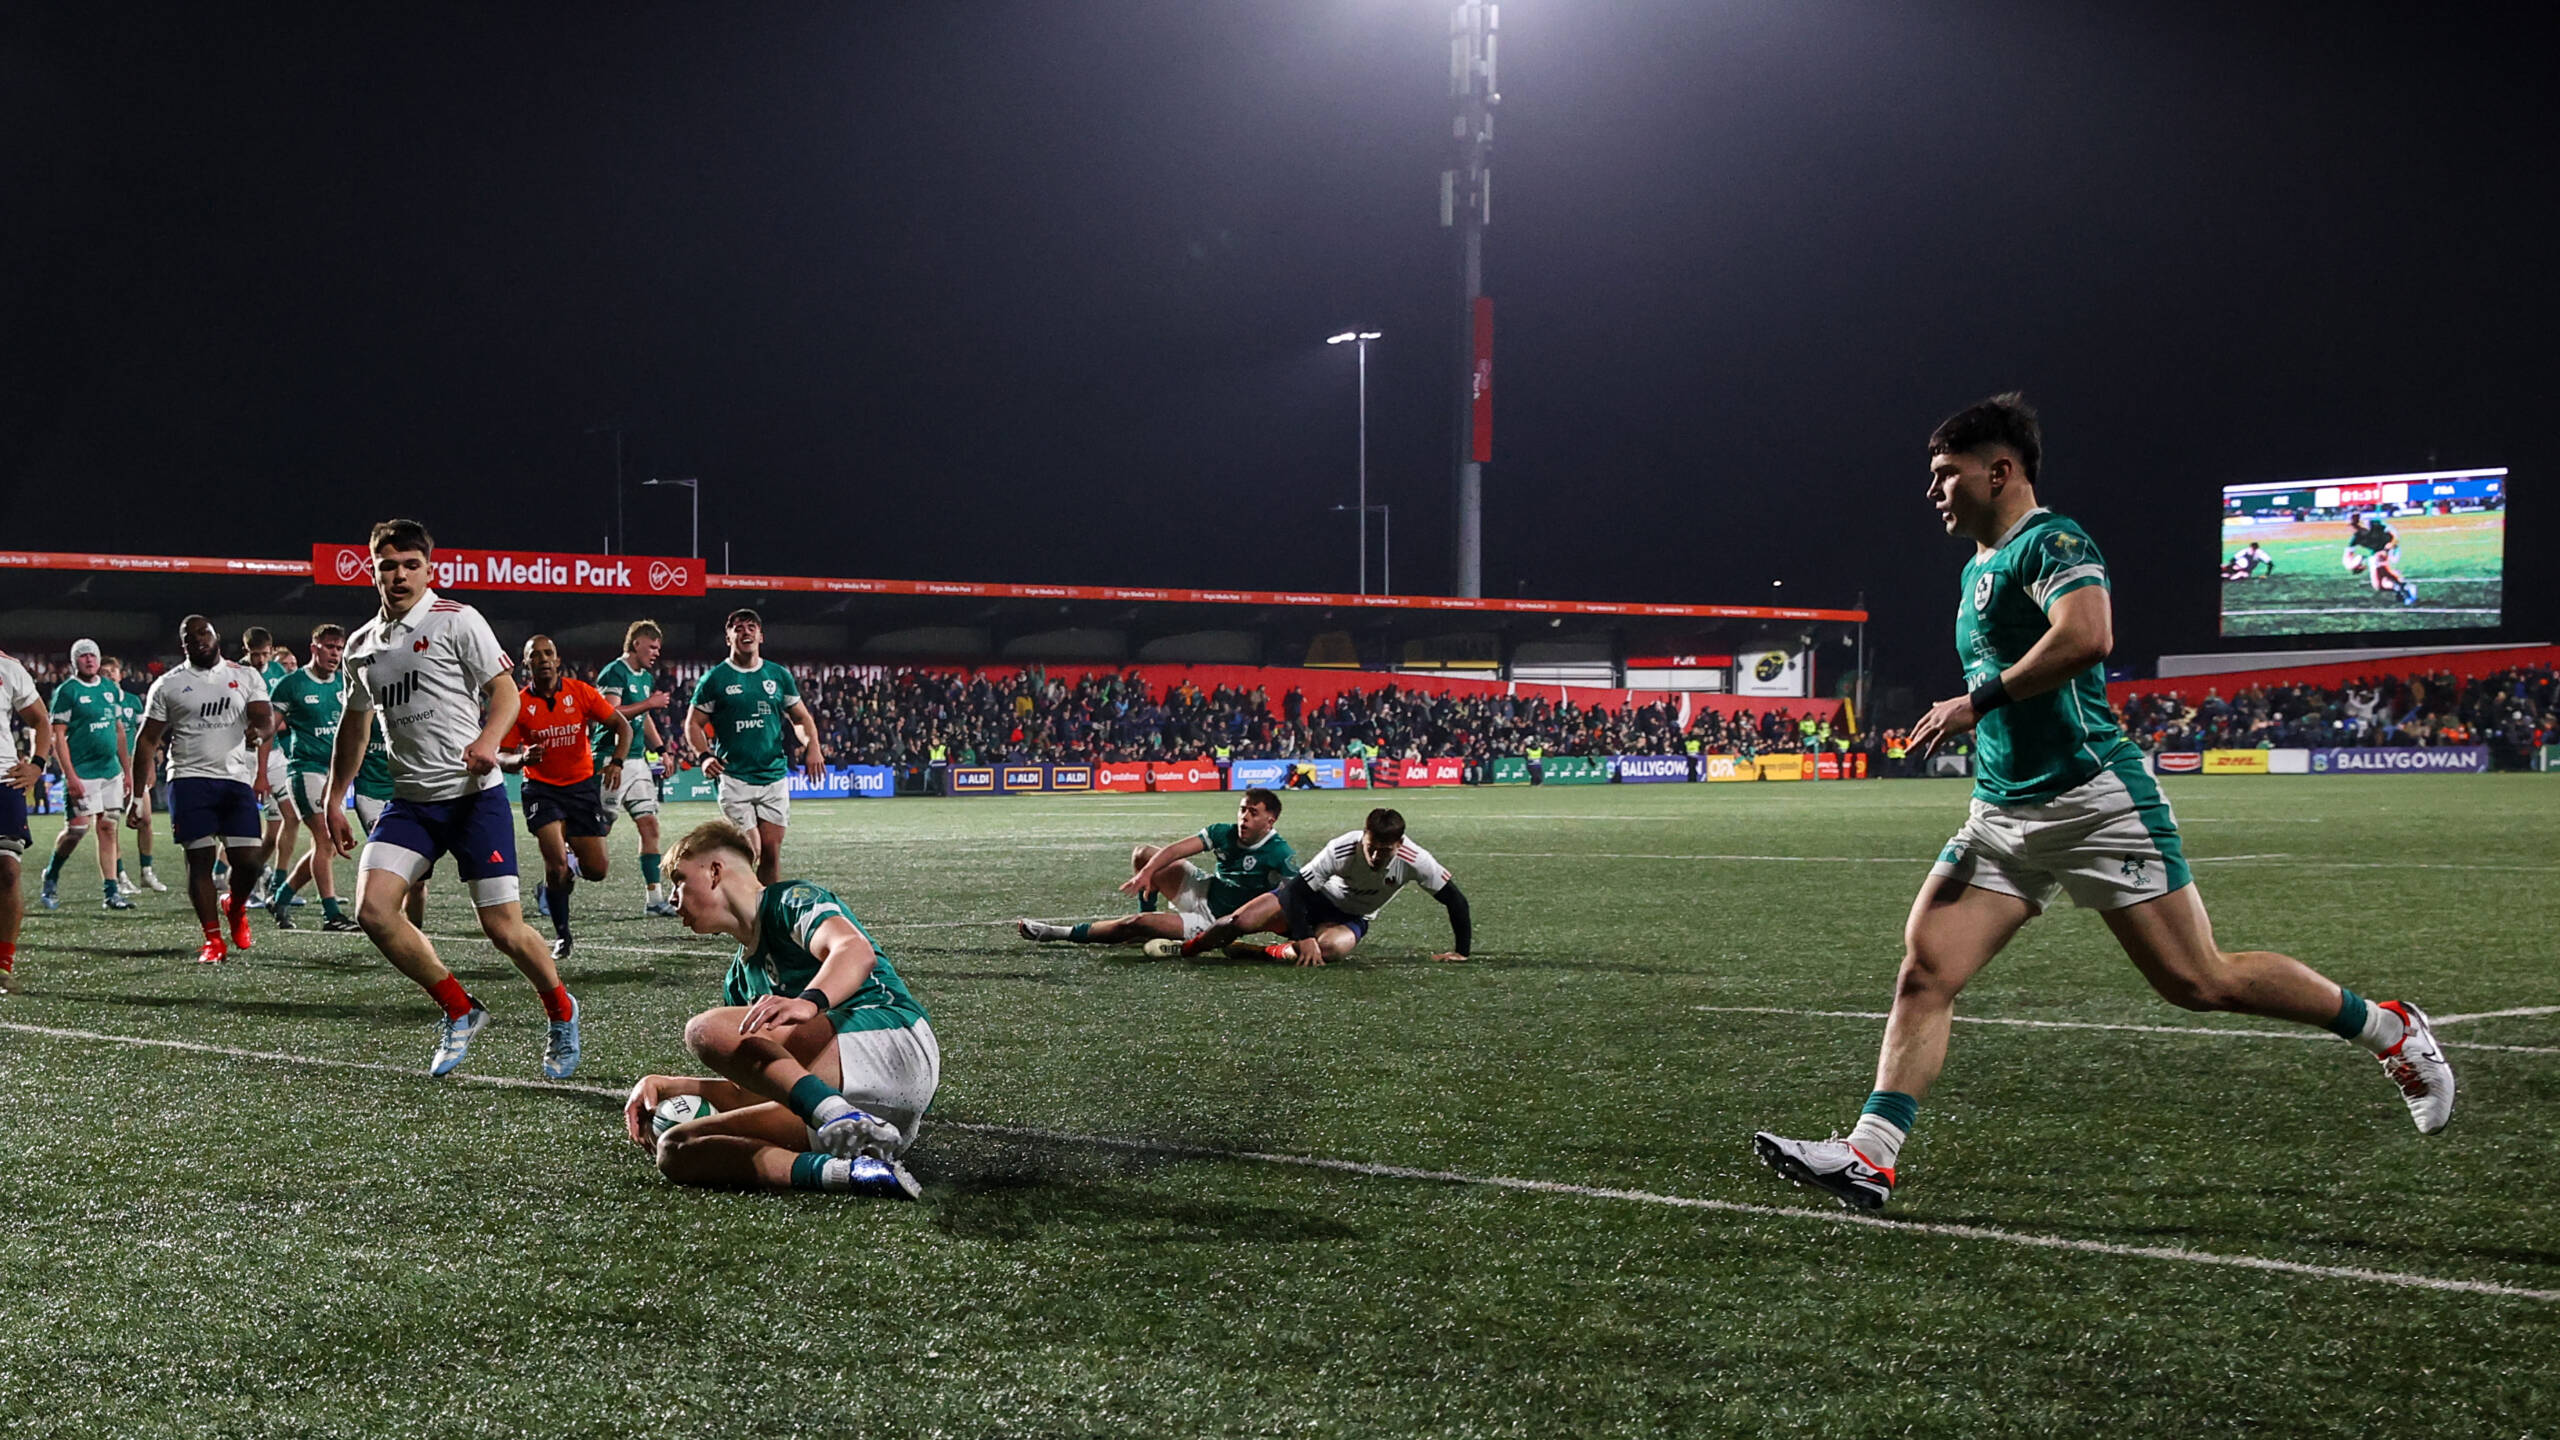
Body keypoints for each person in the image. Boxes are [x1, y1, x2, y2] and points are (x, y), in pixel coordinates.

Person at [1751, 394, 2456, 1214]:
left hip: (2094, 802)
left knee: (2200, 981)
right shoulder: (1978, 567)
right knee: (1926, 970)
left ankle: (2389, 1029)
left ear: (1999, 471)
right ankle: (1870, 1157)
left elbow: (2088, 636)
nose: (1934, 490)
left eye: (1946, 473)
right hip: (2003, 813)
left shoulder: (2054, 541)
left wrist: (1975, 703)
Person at [322, 518, 582, 1078]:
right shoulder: (361, 646)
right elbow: (355, 725)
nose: (399, 575)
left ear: (428, 569)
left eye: (410, 565)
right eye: (388, 565)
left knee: (504, 929)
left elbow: (505, 694)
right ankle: (460, 1009)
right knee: (373, 911)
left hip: (472, 799)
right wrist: (334, 796)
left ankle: (562, 1012)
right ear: (372, 570)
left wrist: (488, 741)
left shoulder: (457, 619)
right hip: (410, 803)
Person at [620, 821, 935, 1198]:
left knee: (705, 1030)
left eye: (679, 881)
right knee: (678, 1149)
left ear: (714, 871)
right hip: (861, 1107)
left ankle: (838, 1116)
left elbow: (853, 950)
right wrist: (670, 1085)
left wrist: (809, 1001)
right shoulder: (738, 980)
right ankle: (857, 1172)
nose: (673, 899)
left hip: (892, 1044)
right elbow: (758, 1088)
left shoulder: (789, 900)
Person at [128, 616, 274, 964]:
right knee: (200, 860)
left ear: (216, 635)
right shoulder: (168, 685)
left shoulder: (245, 675)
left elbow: (265, 718)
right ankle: (213, 940)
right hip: (188, 778)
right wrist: (136, 796)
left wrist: (259, 732)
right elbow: (146, 740)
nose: (198, 639)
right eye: (190, 636)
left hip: (235, 778)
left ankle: (235, 905)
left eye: (203, 632)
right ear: (184, 646)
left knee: (249, 862)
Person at [1159, 807, 1471, 966]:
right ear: (1363, 837)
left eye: (1385, 851)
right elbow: (1296, 891)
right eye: (1371, 847)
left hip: (1351, 917)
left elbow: (1455, 900)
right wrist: (1305, 936)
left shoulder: (1416, 859)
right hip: (1313, 898)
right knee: (1238, 922)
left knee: (1331, 950)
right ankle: (1187, 948)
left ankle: (1260, 952)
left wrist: (1461, 952)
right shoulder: (1342, 848)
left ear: (1399, 845)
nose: (1376, 856)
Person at [1016, 788, 1296, 949]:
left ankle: (1056, 932)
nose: (1244, 818)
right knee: (1144, 854)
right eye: (1242, 809)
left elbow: (1297, 897)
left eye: (1253, 813)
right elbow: (1175, 851)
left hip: (1213, 922)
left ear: (1269, 822)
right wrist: (1146, 873)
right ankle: (1144, 926)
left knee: (1133, 924)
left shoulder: (1279, 853)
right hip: (1204, 889)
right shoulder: (1224, 832)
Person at [497, 634, 631, 960]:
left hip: (581, 788)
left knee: (597, 870)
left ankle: (571, 865)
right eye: (536, 655)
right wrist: (521, 759)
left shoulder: (580, 692)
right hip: (541, 790)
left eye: (549, 653)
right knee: (555, 866)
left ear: (557, 660)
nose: (543, 659)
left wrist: (617, 762)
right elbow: (501, 755)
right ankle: (562, 935)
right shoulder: (518, 703)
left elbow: (622, 726)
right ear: (526, 663)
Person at [685, 608, 826, 885]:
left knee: (771, 854)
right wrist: (704, 756)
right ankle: (711, 890)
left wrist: (813, 746)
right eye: (738, 628)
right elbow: (693, 724)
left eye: (751, 627)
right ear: (728, 638)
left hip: (773, 776)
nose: (745, 632)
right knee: (752, 850)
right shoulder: (715, 679)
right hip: (734, 776)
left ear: (761, 636)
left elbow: (800, 718)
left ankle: (763, 911)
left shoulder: (778, 675)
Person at [263, 624, 360, 931]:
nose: (335, 654)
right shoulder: (291, 685)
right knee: (325, 840)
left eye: (339, 648)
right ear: (314, 647)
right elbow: (268, 730)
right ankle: (331, 914)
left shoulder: (344, 683)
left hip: (335, 776)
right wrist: (260, 771)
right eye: (330, 647)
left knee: (328, 846)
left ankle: (281, 896)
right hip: (305, 771)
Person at [40, 640, 136, 912]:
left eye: (92, 655)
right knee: (77, 830)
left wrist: (127, 771)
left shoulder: (109, 689)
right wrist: (70, 776)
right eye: (83, 656)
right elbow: (58, 737)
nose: (89, 660)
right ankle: (51, 874)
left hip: (110, 771)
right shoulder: (67, 691)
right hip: (82, 772)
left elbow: (119, 730)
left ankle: (111, 892)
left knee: (108, 828)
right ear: (75, 662)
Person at [592, 619, 680, 916]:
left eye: (658, 648)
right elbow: (609, 713)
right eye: (652, 647)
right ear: (636, 643)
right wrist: (649, 703)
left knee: (650, 825)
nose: (656, 653)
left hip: (638, 760)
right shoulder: (614, 671)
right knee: (598, 832)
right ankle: (555, 879)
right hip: (610, 759)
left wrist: (661, 750)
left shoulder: (644, 678)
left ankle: (654, 899)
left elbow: (646, 719)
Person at [0, 647, 55, 990]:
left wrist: (37, 765)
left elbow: (41, 721)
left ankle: (3, 965)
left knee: (7, 871)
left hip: (4, 781)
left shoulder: (8, 667)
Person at [240, 626, 300, 906]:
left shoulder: (278, 673)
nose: (260, 659)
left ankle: (277, 882)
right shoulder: (237, 673)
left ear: (272, 650)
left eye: (265, 654)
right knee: (247, 828)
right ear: (246, 651)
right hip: (245, 758)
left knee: (290, 818)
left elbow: (283, 714)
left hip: (275, 755)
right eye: (255, 654)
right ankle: (246, 886)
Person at [104, 658, 166, 895]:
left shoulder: (132, 701)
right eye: (105, 672)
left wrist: (148, 766)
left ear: (121, 674)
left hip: (133, 767)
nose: (110, 674)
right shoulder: (100, 700)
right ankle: (119, 875)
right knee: (111, 824)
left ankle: (146, 872)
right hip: (109, 768)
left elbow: (146, 736)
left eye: (113, 671)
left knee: (145, 819)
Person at [2343, 511, 2416, 606]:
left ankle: (2406, 589)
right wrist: (2353, 566)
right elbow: (2348, 556)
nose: (2353, 528)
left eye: (2354, 524)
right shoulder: (2356, 538)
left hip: (2390, 549)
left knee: (2382, 565)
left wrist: (2388, 547)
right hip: (2376, 553)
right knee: (2378, 585)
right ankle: (2398, 588)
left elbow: (2394, 536)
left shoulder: (2376, 525)